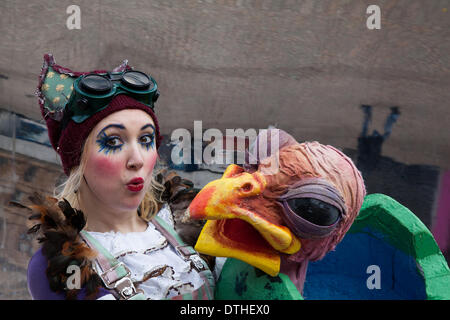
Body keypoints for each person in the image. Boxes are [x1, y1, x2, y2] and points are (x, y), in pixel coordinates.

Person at [23, 54, 214, 300]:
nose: (137, 160)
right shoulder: (61, 266)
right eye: (113, 141)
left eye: (146, 139)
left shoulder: (192, 227)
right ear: (78, 161)